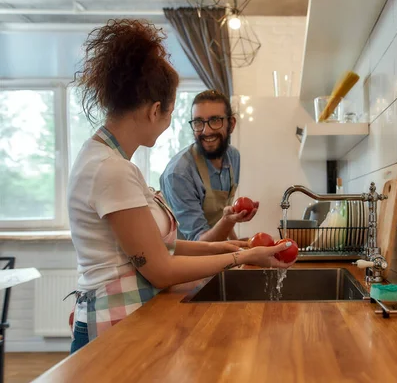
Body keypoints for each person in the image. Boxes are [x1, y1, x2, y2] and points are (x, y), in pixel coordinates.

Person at [66, 19, 293, 354]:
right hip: (113, 329)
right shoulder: (110, 169)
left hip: (129, 321)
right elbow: (160, 269)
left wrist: (231, 247)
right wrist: (242, 255)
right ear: (156, 110)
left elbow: (163, 247)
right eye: (174, 112)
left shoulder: (113, 162)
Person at [159, 90, 253, 242]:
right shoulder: (179, 173)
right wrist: (229, 223)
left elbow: (219, 217)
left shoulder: (233, 157)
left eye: (215, 120)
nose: (206, 131)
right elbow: (198, 242)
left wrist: (237, 242)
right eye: (198, 122)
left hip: (211, 254)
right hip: (183, 260)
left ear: (231, 124)